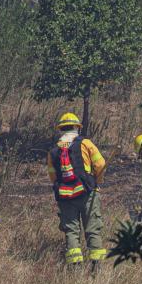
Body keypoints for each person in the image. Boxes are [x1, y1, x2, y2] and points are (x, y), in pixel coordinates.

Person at [46, 113, 107, 272]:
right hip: (88, 193)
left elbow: (53, 177)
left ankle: (75, 268)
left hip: (65, 196)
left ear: (60, 130)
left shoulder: (53, 151)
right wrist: (97, 182)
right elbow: (100, 164)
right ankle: (96, 267)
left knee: (71, 231)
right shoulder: (86, 144)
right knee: (92, 228)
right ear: (77, 128)